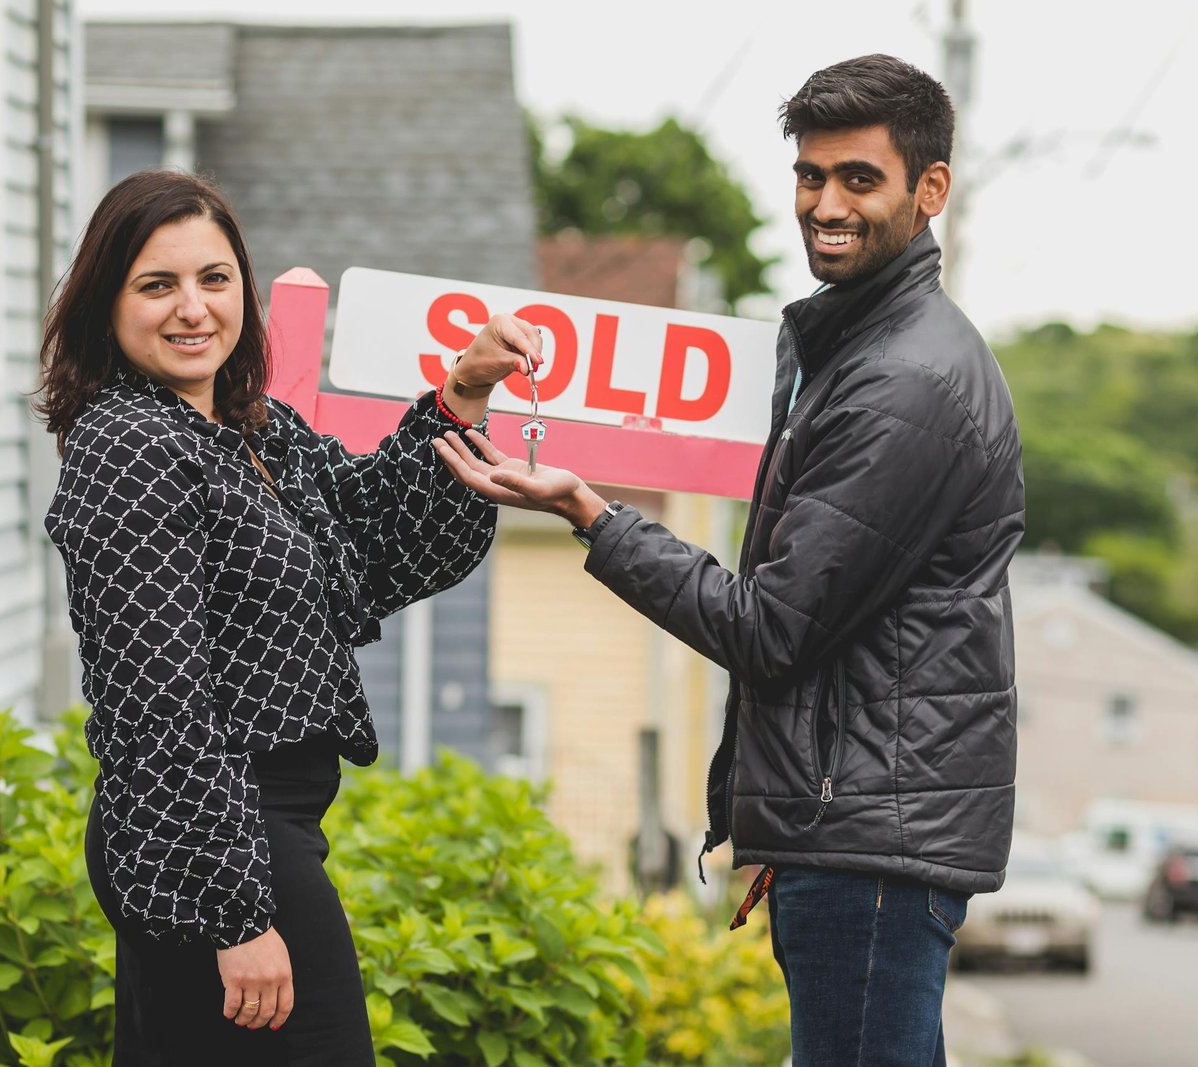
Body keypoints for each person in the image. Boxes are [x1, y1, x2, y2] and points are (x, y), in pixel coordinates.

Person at [435, 54, 1023, 1067]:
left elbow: (770, 628)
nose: (825, 204)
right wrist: (792, 825)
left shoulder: (904, 382)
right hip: (850, 835)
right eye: (809, 175)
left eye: (858, 179)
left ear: (929, 191)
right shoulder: (852, 350)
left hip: (869, 847)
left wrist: (588, 509)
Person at [38, 169, 538, 1065]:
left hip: (248, 832)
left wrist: (462, 389)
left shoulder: (251, 428)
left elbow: (377, 526)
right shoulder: (131, 447)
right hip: (218, 839)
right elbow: (159, 712)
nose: (193, 308)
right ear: (105, 306)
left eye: (215, 279)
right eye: (158, 285)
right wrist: (238, 912)